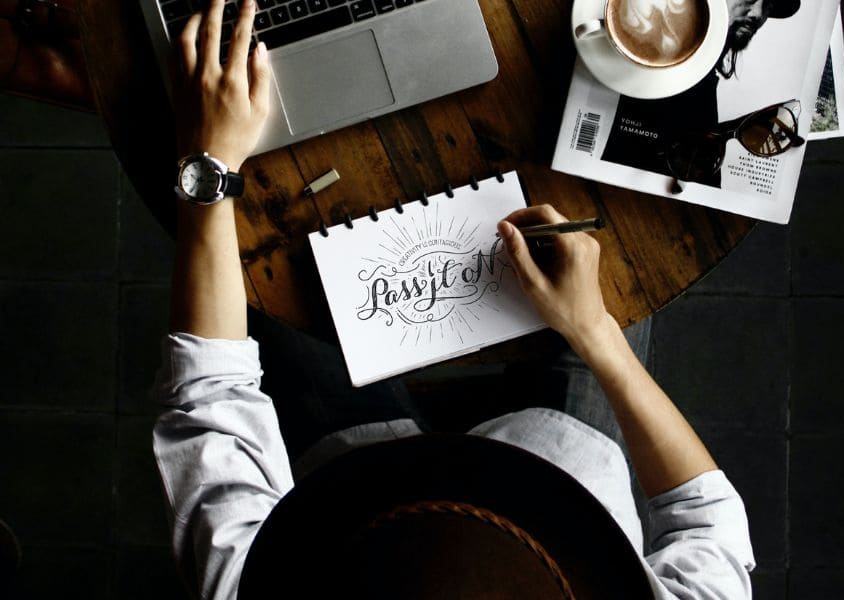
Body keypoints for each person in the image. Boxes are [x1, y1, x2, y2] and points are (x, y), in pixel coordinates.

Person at [153, 1, 755, 598]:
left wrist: (209, 164)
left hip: (347, 470)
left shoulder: (252, 586)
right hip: (567, 450)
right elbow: (707, 519)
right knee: (621, 237)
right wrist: (593, 329)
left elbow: (209, 395)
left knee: (259, 269)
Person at [601, 0, 802, 187]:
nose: (758, 14)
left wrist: (735, 127)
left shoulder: (702, 86)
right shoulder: (665, 72)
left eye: (768, 4)